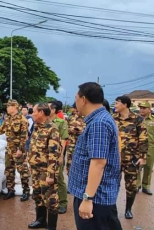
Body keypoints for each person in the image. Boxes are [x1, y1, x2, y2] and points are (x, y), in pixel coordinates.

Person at [69, 82, 122, 230]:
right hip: (93, 194)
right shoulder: (100, 119)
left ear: (83, 99)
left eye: (76, 98)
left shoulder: (99, 123)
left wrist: (87, 198)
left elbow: (98, 163)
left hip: (95, 198)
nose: (76, 102)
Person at [0, 99, 30, 201]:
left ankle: (26, 191)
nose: (7, 108)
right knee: (9, 171)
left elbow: (24, 137)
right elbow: (1, 130)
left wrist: (20, 150)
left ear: (14, 107)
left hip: (18, 150)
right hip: (9, 149)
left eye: (8, 106)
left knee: (22, 171)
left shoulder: (23, 120)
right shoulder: (8, 119)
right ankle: (10, 190)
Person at [113, 95, 148, 219]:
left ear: (125, 105)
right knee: (112, 184)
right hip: (115, 159)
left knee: (131, 185)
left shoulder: (137, 119)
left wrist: (143, 156)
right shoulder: (113, 119)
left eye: (117, 103)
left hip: (132, 159)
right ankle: (112, 209)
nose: (115, 105)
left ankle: (128, 209)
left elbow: (143, 138)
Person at [28, 103, 60, 230]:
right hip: (36, 169)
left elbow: (54, 154)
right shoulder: (37, 127)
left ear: (41, 112)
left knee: (51, 199)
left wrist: (50, 175)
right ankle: (41, 220)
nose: (32, 114)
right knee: (38, 196)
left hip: (46, 171)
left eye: (34, 111)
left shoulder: (52, 129)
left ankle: (51, 227)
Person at [49, 101, 69, 214]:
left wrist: (61, 156)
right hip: (47, 155)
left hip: (57, 155)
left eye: (48, 107)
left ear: (53, 110)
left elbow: (63, 140)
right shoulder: (46, 121)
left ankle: (63, 203)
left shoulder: (61, 122)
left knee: (59, 178)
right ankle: (52, 200)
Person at [137, 101, 154, 195]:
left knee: (148, 167)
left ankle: (146, 186)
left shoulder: (153, 120)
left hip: (151, 147)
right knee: (137, 167)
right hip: (138, 147)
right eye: (141, 108)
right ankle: (137, 185)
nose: (142, 110)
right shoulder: (137, 119)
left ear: (149, 109)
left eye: (144, 108)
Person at [66, 103, 85, 175]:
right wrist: (71, 130)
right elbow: (65, 129)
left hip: (82, 144)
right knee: (70, 162)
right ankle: (69, 175)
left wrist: (83, 131)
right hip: (71, 143)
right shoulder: (70, 118)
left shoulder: (86, 118)